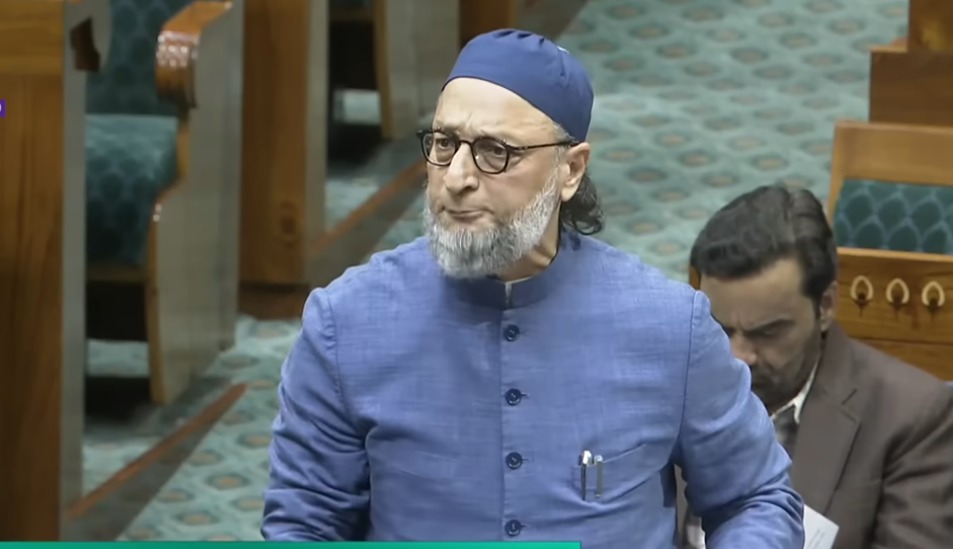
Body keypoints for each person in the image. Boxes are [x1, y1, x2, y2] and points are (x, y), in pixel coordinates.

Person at [261, 29, 804, 548]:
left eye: (495, 151)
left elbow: (755, 498)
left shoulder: (669, 327)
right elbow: (304, 524)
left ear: (570, 170)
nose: (457, 177)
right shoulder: (346, 323)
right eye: (444, 144)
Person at [681, 185, 953, 549]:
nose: (739, 356)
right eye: (721, 328)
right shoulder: (666, 378)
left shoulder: (912, 417)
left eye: (767, 332)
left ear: (824, 306)